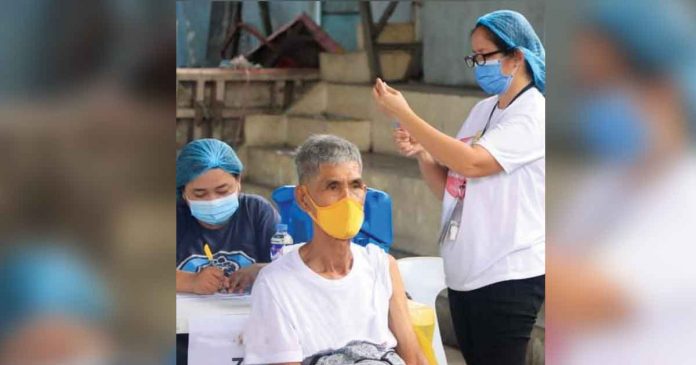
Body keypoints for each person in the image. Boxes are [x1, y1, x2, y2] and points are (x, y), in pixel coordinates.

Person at [373, 10, 545, 365]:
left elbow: (472, 163)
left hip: (507, 274)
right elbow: (454, 187)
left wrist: (407, 115)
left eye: (485, 56)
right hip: (466, 273)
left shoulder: (533, 115)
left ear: (516, 57)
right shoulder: (483, 111)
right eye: (474, 57)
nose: (478, 64)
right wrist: (423, 153)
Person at [243, 135, 426, 365]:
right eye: (333, 186)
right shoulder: (276, 283)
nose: (347, 199)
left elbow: (414, 358)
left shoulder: (381, 265)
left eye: (355, 186)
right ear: (303, 198)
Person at [175, 138, 278, 294]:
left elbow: (292, 267)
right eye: (199, 194)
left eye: (222, 191)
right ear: (183, 193)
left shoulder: (257, 212)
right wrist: (191, 281)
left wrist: (260, 271)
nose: (213, 201)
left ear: (238, 181)